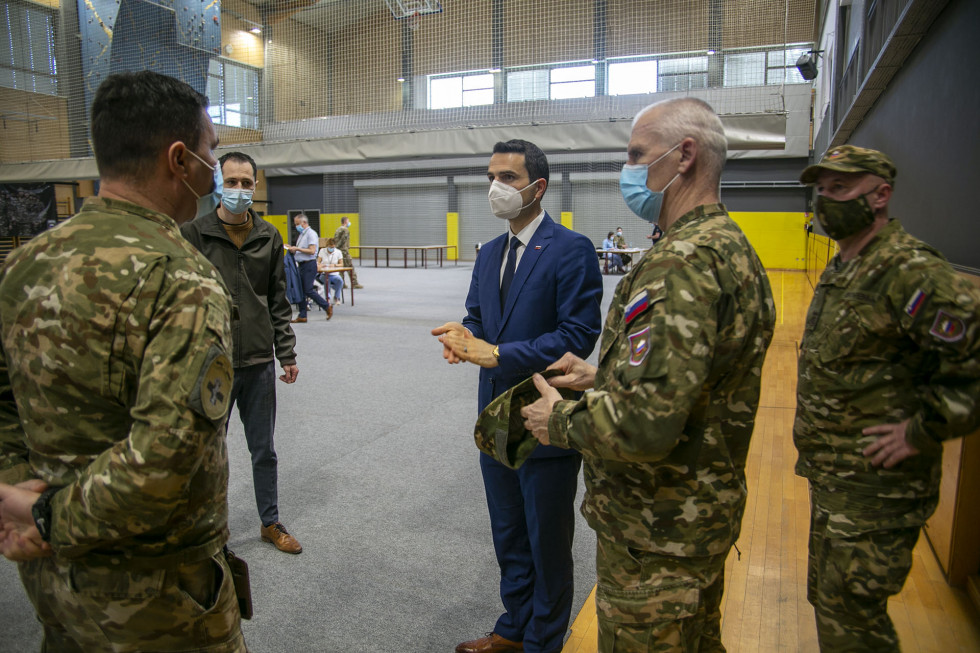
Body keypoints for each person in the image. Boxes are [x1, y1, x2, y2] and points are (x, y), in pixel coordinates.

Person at [0, 70, 246, 651]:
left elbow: (4, 400)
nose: (215, 172)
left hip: (50, 577)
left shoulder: (24, 264)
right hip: (156, 595)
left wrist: (17, 494)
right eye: (211, 153)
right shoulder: (181, 278)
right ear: (179, 159)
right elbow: (166, 455)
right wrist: (45, 520)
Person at [521, 97, 775, 651]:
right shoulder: (727, 247)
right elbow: (695, 382)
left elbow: (644, 427)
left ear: (684, 155)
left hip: (656, 535)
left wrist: (558, 420)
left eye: (637, 153)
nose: (628, 168)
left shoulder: (681, 262)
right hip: (692, 523)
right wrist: (603, 378)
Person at [792, 145, 980, 651]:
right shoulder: (845, 267)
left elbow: (973, 369)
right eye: (823, 189)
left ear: (880, 194)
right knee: (835, 609)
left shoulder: (911, 272)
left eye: (841, 188)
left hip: (879, 494)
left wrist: (921, 431)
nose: (827, 199)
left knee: (855, 624)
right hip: (837, 483)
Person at [432, 139, 603, 653]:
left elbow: (577, 336)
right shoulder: (488, 254)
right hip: (494, 419)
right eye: (492, 175)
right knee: (508, 533)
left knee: (546, 540)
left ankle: (542, 642)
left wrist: (497, 353)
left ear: (537, 187)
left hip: (545, 415)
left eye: (508, 177)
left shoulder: (571, 249)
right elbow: (477, 319)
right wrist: (462, 340)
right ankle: (514, 626)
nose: (496, 187)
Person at [181, 151, 303, 554]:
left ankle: (270, 522)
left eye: (246, 183)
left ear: (255, 185)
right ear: (219, 183)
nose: (238, 189)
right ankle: (210, 530)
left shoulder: (268, 236)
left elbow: (277, 300)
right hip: (210, 365)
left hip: (257, 363)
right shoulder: (194, 234)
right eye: (231, 182)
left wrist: (286, 353)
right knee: (209, 453)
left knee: (264, 449)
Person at [287, 213, 331, 323]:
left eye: (297, 224)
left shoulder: (311, 234)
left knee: (308, 289)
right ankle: (302, 315)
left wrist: (297, 249)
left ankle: (326, 306)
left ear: (304, 222)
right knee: (301, 290)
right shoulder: (302, 235)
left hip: (309, 265)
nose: (296, 226)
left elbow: (312, 251)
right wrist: (292, 248)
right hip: (301, 264)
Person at [317, 237, 345, 316]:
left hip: (334, 274)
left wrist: (335, 265)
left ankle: (337, 297)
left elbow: (341, 264)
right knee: (327, 280)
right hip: (324, 274)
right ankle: (328, 298)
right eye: (330, 247)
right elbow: (318, 262)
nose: (331, 248)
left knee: (340, 281)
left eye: (333, 247)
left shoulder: (338, 252)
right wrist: (321, 265)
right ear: (327, 246)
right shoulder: (322, 251)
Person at [334, 216, 363, 289]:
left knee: (341, 268)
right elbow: (343, 240)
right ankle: (354, 283)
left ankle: (342, 283)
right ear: (345, 222)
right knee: (350, 267)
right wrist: (338, 247)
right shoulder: (345, 230)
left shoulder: (338, 229)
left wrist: (336, 248)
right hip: (344, 251)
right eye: (348, 221)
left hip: (338, 252)